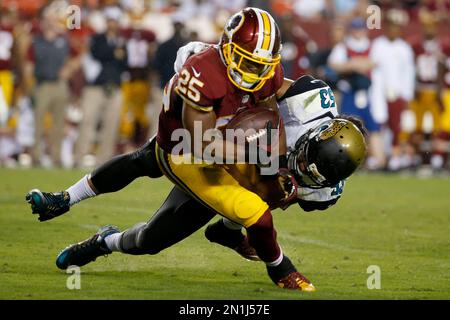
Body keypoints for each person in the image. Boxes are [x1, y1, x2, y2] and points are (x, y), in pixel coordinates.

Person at [26, 8, 366, 291]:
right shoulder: (201, 74)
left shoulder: (272, 77)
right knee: (149, 161)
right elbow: (201, 143)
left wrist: (281, 174)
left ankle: (105, 240)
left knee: (151, 239)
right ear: (228, 50)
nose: (255, 73)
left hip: (230, 145)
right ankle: (279, 268)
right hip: (187, 145)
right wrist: (265, 154)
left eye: (262, 66)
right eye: (247, 63)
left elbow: (279, 95)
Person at [328, 17, 385, 170]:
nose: (358, 32)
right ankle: (345, 158)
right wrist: (355, 65)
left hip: (366, 94)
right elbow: (334, 64)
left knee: (373, 127)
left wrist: (353, 64)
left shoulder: (372, 46)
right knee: (346, 126)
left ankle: (378, 161)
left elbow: (375, 62)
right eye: (356, 28)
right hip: (350, 92)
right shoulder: (344, 46)